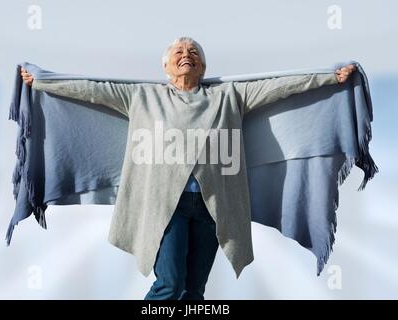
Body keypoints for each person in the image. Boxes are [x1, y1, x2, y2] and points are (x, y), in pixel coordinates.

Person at [21, 36, 355, 300]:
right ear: (166, 66)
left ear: (203, 66)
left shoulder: (229, 96)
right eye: (179, 51)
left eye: (193, 51)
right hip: (168, 207)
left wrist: (328, 77)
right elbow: (91, 90)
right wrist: (42, 82)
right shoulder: (143, 96)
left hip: (213, 206)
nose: (187, 54)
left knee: (194, 291)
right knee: (170, 284)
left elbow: (279, 86)